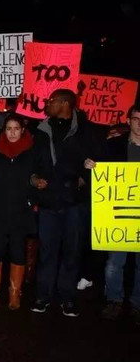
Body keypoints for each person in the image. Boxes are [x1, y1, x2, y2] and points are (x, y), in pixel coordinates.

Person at [30, 89, 103, 318]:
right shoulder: (41, 130)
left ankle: (67, 298)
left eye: (51, 100)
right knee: (47, 252)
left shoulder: (86, 131)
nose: (47, 103)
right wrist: (33, 179)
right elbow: (32, 163)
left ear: (64, 103)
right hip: (49, 203)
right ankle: (43, 296)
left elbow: (99, 162)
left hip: (74, 203)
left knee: (72, 252)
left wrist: (90, 169)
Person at [84, 104, 140, 324]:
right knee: (115, 262)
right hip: (118, 216)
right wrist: (92, 167)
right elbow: (102, 172)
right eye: (136, 119)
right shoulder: (114, 145)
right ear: (128, 121)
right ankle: (114, 300)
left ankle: (137, 304)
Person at [0, 114, 36, 309]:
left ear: (22, 130)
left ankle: (15, 293)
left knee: (17, 252)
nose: (12, 132)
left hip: (20, 210)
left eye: (16, 128)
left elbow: (35, 180)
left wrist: (32, 195)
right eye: (9, 129)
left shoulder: (31, 153)